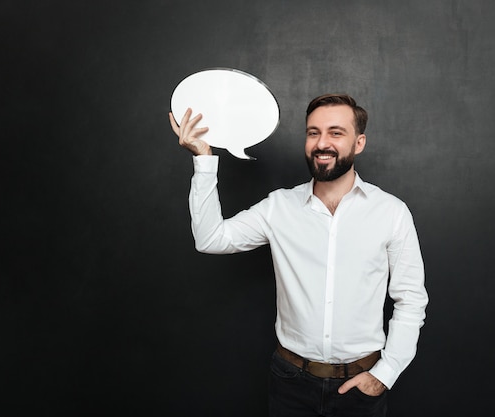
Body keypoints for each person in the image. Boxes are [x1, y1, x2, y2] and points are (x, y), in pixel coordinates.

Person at [169, 93, 428, 417]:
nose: (322, 143)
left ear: (359, 142)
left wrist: (385, 374)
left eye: (336, 132)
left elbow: (411, 299)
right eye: (313, 132)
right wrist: (204, 159)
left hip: (362, 387)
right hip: (290, 384)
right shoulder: (279, 207)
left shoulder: (391, 212)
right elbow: (211, 239)